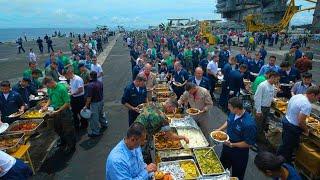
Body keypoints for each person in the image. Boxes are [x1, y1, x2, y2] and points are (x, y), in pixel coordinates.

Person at [215, 97, 257, 180]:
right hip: (227, 145)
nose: (228, 108)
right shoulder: (233, 113)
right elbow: (228, 121)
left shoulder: (249, 124)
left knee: (237, 175)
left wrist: (232, 144)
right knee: (222, 168)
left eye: (230, 107)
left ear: (237, 108)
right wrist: (219, 129)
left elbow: (248, 143)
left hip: (239, 152)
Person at [277, 86, 320, 164]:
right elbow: (300, 121)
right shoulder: (307, 104)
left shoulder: (297, 95)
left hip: (286, 120)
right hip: (292, 128)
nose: (317, 100)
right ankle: (280, 165)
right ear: (312, 95)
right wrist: (306, 130)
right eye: (318, 97)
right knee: (287, 148)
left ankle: (283, 160)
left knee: (284, 144)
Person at [42, 77, 76, 154]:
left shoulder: (61, 89)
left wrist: (58, 110)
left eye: (48, 86)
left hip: (64, 111)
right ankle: (63, 141)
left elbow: (67, 102)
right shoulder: (50, 89)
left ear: (51, 82)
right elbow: (50, 99)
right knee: (58, 128)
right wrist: (46, 106)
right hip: (55, 111)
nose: (47, 88)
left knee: (68, 129)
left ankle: (71, 146)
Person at [254, 71, 279, 142]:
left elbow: (271, 96)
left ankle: (258, 138)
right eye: (277, 79)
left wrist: (275, 94)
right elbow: (257, 98)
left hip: (267, 108)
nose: (277, 81)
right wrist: (258, 110)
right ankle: (253, 140)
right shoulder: (263, 85)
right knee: (258, 125)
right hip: (261, 107)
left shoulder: (273, 85)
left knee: (263, 124)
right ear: (272, 78)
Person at [84, 71, 108, 137]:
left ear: (90, 77)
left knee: (94, 118)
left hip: (94, 103)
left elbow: (89, 97)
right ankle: (104, 124)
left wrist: (86, 106)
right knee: (101, 114)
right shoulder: (100, 83)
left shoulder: (90, 85)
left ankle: (95, 132)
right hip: (101, 101)